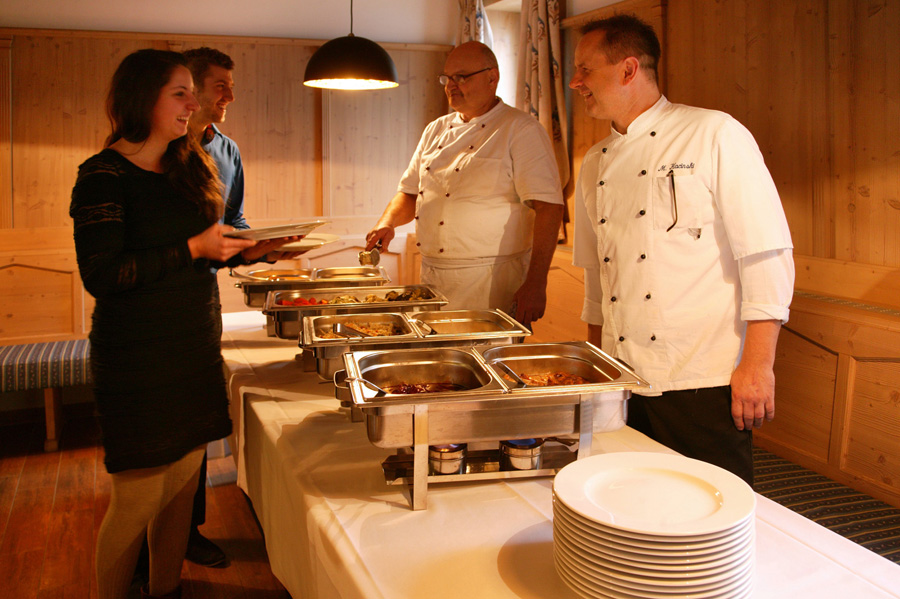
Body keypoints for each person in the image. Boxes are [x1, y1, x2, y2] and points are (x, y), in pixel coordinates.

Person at [70, 49, 286, 599]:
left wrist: (253, 252)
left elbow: (208, 251)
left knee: (176, 494)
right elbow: (104, 274)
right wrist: (195, 245)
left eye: (194, 92)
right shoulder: (103, 175)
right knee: (138, 500)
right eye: (181, 93)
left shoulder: (189, 165)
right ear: (142, 98)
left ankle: (165, 591)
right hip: (137, 355)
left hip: (192, 342)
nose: (196, 104)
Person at [569, 15, 795, 486]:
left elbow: (766, 253)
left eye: (586, 71)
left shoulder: (714, 134)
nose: (576, 83)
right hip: (622, 376)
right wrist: (596, 366)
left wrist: (758, 366)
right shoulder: (594, 163)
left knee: (713, 509)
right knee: (628, 499)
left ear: (629, 69)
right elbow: (597, 274)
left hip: (701, 376)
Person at [364, 41, 564, 328]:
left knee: (486, 364)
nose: (451, 86)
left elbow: (549, 207)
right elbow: (409, 192)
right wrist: (388, 222)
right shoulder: (435, 129)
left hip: (492, 281)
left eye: (462, 77)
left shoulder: (520, 130)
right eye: (447, 78)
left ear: (492, 77)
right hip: (434, 276)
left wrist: (536, 282)